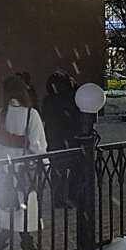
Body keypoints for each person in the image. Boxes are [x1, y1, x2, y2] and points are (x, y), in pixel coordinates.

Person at [0, 76, 47, 250]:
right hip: (26, 170)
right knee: (24, 212)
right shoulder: (30, 114)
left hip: (6, 170)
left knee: (12, 211)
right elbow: (38, 145)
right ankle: (1, 249)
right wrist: (46, 164)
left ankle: (23, 246)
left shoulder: (0, 113)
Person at [41, 71, 82, 206]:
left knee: (58, 169)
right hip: (70, 138)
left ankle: (58, 198)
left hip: (54, 138)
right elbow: (76, 113)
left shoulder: (48, 100)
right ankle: (73, 196)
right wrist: (75, 88)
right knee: (77, 167)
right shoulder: (70, 98)